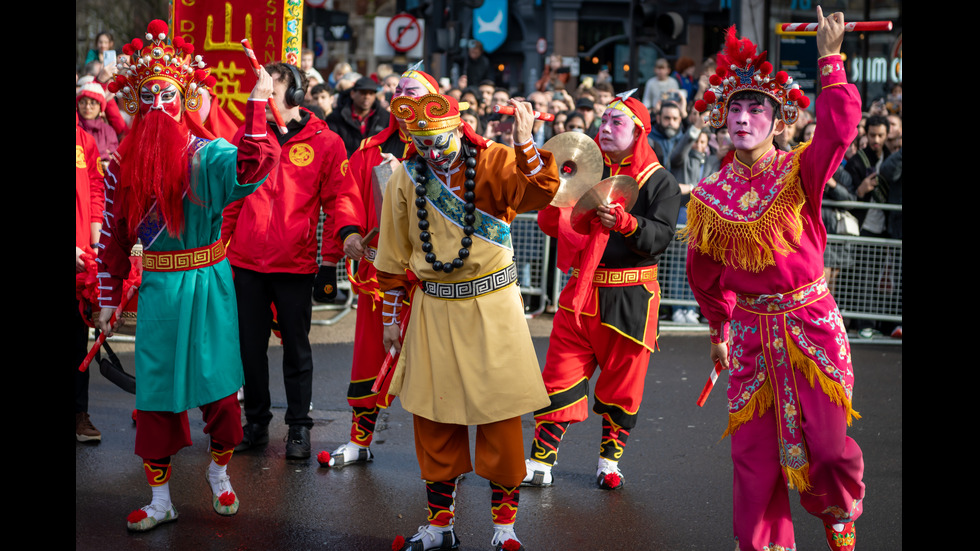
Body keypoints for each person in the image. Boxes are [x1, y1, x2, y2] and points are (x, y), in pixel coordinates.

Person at [684, 12, 864, 551]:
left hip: (811, 325)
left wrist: (830, 59)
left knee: (829, 449)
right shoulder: (708, 198)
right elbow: (704, 275)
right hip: (751, 337)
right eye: (734, 107)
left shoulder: (800, 171)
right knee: (754, 462)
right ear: (721, 117)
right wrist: (718, 331)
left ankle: (838, 511)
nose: (743, 117)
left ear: (778, 119)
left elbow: (838, 129)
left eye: (755, 107)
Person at [96, 20, 279, 531]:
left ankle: (220, 471)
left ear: (184, 99)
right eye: (147, 95)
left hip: (209, 283)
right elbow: (112, 241)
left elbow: (253, 164)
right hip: (157, 292)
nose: (158, 104)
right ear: (136, 104)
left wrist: (259, 102)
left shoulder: (208, 156)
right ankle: (160, 499)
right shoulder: (119, 167)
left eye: (167, 94)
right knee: (156, 398)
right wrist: (108, 300)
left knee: (221, 395)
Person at [376, 93, 559, 551]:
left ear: (459, 129)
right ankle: (439, 526)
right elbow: (393, 251)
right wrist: (390, 314)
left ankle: (504, 528)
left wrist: (524, 140)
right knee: (435, 420)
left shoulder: (494, 160)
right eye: (423, 145)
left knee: (499, 419)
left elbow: (539, 191)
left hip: (493, 305)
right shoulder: (405, 175)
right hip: (434, 309)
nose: (434, 154)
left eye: (441, 142)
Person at [522, 93, 681, 490]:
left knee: (623, 385)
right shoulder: (585, 170)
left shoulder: (660, 180)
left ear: (638, 132)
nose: (605, 128)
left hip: (632, 297)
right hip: (581, 291)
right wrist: (555, 193)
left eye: (616, 123)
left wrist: (627, 224)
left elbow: (662, 237)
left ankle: (609, 463)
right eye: (604, 121)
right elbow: (551, 226)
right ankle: (541, 461)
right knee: (559, 376)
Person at [222, 61, 355, 461]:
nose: (261, 99)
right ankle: (257, 422)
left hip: (294, 265)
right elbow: (232, 199)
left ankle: (299, 427)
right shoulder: (247, 136)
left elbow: (337, 205)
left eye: (271, 91)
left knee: (297, 350)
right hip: (245, 263)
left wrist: (329, 263)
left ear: (296, 96)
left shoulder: (327, 143)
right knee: (249, 349)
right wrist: (218, 253)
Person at [326, 64, 439, 468]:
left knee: (435, 368)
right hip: (379, 276)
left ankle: (443, 459)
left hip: (432, 282)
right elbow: (347, 197)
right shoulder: (370, 149)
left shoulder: (446, 152)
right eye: (399, 92)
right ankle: (360, 439)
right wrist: (350, 232)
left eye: (414, 92)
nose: (403, 98)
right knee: (369, 359)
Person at [76, 118, 105, 443]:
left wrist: (94, 243)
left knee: (78, 339)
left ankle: (79, 413)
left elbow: (96, 187)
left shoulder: (83, 138)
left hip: (81, 259)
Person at [327, 76, 389, 157]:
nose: (367, 97)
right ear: (352, 94)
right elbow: (331, 147)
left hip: (376, 165)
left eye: (371, 93)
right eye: (363, 93)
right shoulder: (335, 118)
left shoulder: (385, 117)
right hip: (344, 166)